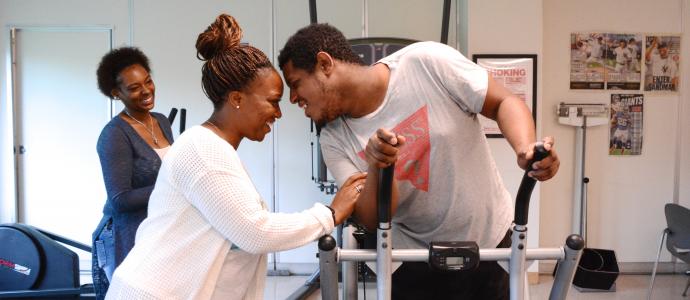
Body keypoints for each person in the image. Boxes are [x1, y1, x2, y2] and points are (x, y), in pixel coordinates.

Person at [278, 23, 560, 299]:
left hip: (489, 244)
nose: (292, 98)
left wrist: (525, 149)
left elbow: (503, 102)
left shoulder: (426, 62)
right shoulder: (333, 139)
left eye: (295, 84)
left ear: (325, 63)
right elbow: (373, 218)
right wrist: (379, 166)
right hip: (409, 260)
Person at [105, 14, 365, 300]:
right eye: (273, 101)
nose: (278, 114)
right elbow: (255, 232)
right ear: (237, 98)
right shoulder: (202, 149)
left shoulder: (215, 149)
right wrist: (329, 214)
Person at [92, 47, 174, 300]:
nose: (147, 90)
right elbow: (120, 199)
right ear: (117, 93)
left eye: (148, 81)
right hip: (123, 236)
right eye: (135, 87)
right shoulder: (114, 135)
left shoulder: (161, 121)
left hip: (155, 230)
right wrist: (173, 188)